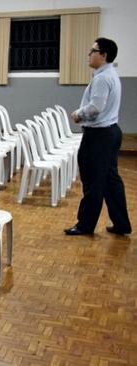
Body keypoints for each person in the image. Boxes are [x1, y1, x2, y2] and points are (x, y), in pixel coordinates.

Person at [65, 37, 132, 236]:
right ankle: (121, 223)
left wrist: (78, 114)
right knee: (111, 181)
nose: (89, 54)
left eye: (93, 51)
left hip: (99, 136)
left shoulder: (103, 78)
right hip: (109, 132)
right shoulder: (110, 74)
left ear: (103, 55)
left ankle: (85, 225)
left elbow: (96, 108)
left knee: (93, 182)